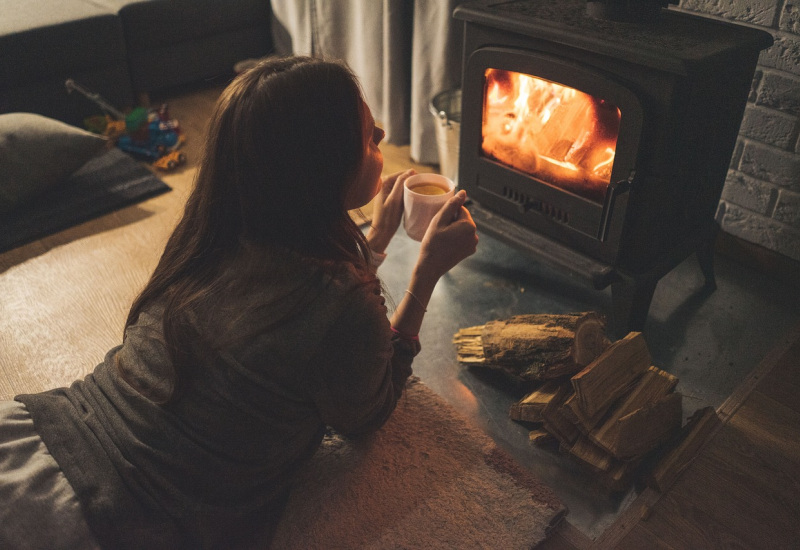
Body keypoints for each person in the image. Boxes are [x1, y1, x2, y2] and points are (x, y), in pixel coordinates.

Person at [0, 56, 478, 549]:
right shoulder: (341, 306)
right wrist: (424, 275)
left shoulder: (210, 233)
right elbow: (367, 413)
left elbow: (307, 319)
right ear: (319, 167)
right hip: (105, 516)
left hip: (44, 434)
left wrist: (374, 240)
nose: (381, 132)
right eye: (366, 135)